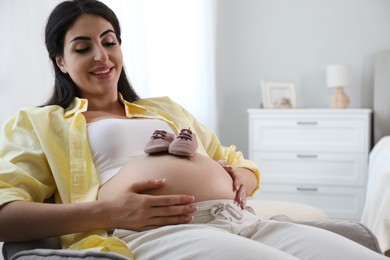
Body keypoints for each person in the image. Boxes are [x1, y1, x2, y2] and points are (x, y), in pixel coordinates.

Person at [0, 1, 387, 259]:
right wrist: (106, 210)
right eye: (83, 48)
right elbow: (5, 214)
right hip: (155, 233)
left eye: (110, 41)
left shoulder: (165, 109)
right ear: (61, 62)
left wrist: (241, 177)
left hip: (243, 221)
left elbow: (238, 161)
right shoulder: (40, 123)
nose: (102, 56)